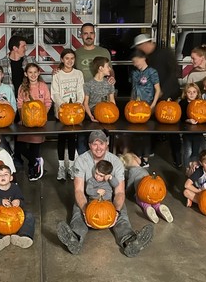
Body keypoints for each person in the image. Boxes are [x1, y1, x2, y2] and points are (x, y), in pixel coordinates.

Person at [57, 130, 154, 258]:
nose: (98, 148)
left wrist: (116, 211)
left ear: (107, 143)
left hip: (108, 199)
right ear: (89, 145)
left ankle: (129, 241)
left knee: (122, 213)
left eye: (101, 144)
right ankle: (75, 238)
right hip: (88, 198)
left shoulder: (116, 162)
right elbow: (79, 190)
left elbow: (119, 192)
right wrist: (86, 210)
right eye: (94, 144)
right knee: (77, 211)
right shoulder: (81, 160)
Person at [132, 33, 182, 167]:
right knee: (151, 123)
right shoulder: (148, 57)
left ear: (145, 44)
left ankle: (177, 158)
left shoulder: (164, 53)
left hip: (169, 93)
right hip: (154, 94)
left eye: (140, 47)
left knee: (171, 124)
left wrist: (163, 92)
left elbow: (173, 73)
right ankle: (150, 151)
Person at [74, 23, 115, 154]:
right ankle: (82, 163)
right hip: (83, 95)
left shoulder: (103, 52)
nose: (88, 36)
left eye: (91, 33)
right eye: (85, 33)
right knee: (83, 133)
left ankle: (101, 163)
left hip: (101, 97)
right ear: (81, 35)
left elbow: (110, 70)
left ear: (94, 35)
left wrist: (111, 78)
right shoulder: (77, 53)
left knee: (101, 134)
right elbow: (67, 67)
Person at [0, 165, 35, 251]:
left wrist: (19, 201)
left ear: (11, 177)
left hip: (16, 220)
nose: (3, 176)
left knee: (29, 216)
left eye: (6, 174)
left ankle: (23, 236)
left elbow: (23, 204)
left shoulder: (15, 188)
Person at [51, 48, 85, 181]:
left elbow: (80, 91)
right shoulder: (57, 75)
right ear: (62, 60)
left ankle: (71, 166)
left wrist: (77, 103)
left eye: (72, 58)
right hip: (61, 111)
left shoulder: (78, 74)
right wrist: (63, 105)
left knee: (72, 139)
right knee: (61, 139)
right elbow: (55, 93)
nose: (69, 61)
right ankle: (61, 167)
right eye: (67, 58)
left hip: (75, 112)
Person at [15, 63, 51, 181]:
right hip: (26, 122)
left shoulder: (43, 86)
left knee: (35, 146)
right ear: (26, 74)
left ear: (39, 73)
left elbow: (47, 102)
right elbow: (20, 103)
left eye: (35, 72)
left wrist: (42, 114)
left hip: (39, 122)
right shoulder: (22, 87)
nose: (33, 75)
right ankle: (37, 161)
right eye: (30, 72)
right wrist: (22, 118)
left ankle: (33, 172)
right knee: (20, 146)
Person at [120, 153, 174, 224]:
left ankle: (147, 208)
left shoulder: (132, 172)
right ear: (136, 159)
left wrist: (126, 192)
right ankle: (158, 207)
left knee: (141, 200)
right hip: (152, 192)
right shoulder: (143, 170)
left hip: (142, 193)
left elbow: (130, 184)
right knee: (154, 201)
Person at [129, 49, 161, 166]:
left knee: (146, 133)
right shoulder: (134, 73)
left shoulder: (152, 72)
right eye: (133, 62)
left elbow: (157, 90)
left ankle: (145, 158)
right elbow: (133, 89)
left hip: (147, 104)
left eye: (136, 61)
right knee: (136, 133)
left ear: (143, 59)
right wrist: (130, 103)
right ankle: (137, 156)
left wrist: (153, 105)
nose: (135, 64)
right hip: (135, 105)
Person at [179, 83, 206, 175]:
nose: (191, 94)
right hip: (187, 132)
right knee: (188, 151)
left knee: (205, 148)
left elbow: (205, 114)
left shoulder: (201, 103)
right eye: (189, 92)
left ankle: (204, 167)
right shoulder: (182, 103)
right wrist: (188, 120)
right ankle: (188, 168)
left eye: (194, 92)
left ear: (197, 93)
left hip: (198, 132)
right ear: (185, 93)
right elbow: (180, 116)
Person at [83, 56, 115, 123]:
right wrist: (90, 116)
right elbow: (85, 103)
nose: (109, 68)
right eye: (107, 66)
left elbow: (112, 100)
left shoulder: (109, 82)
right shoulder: (88, 84)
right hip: (94, 112)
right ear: (100, 68)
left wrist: (114, 112)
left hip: (107, 111)